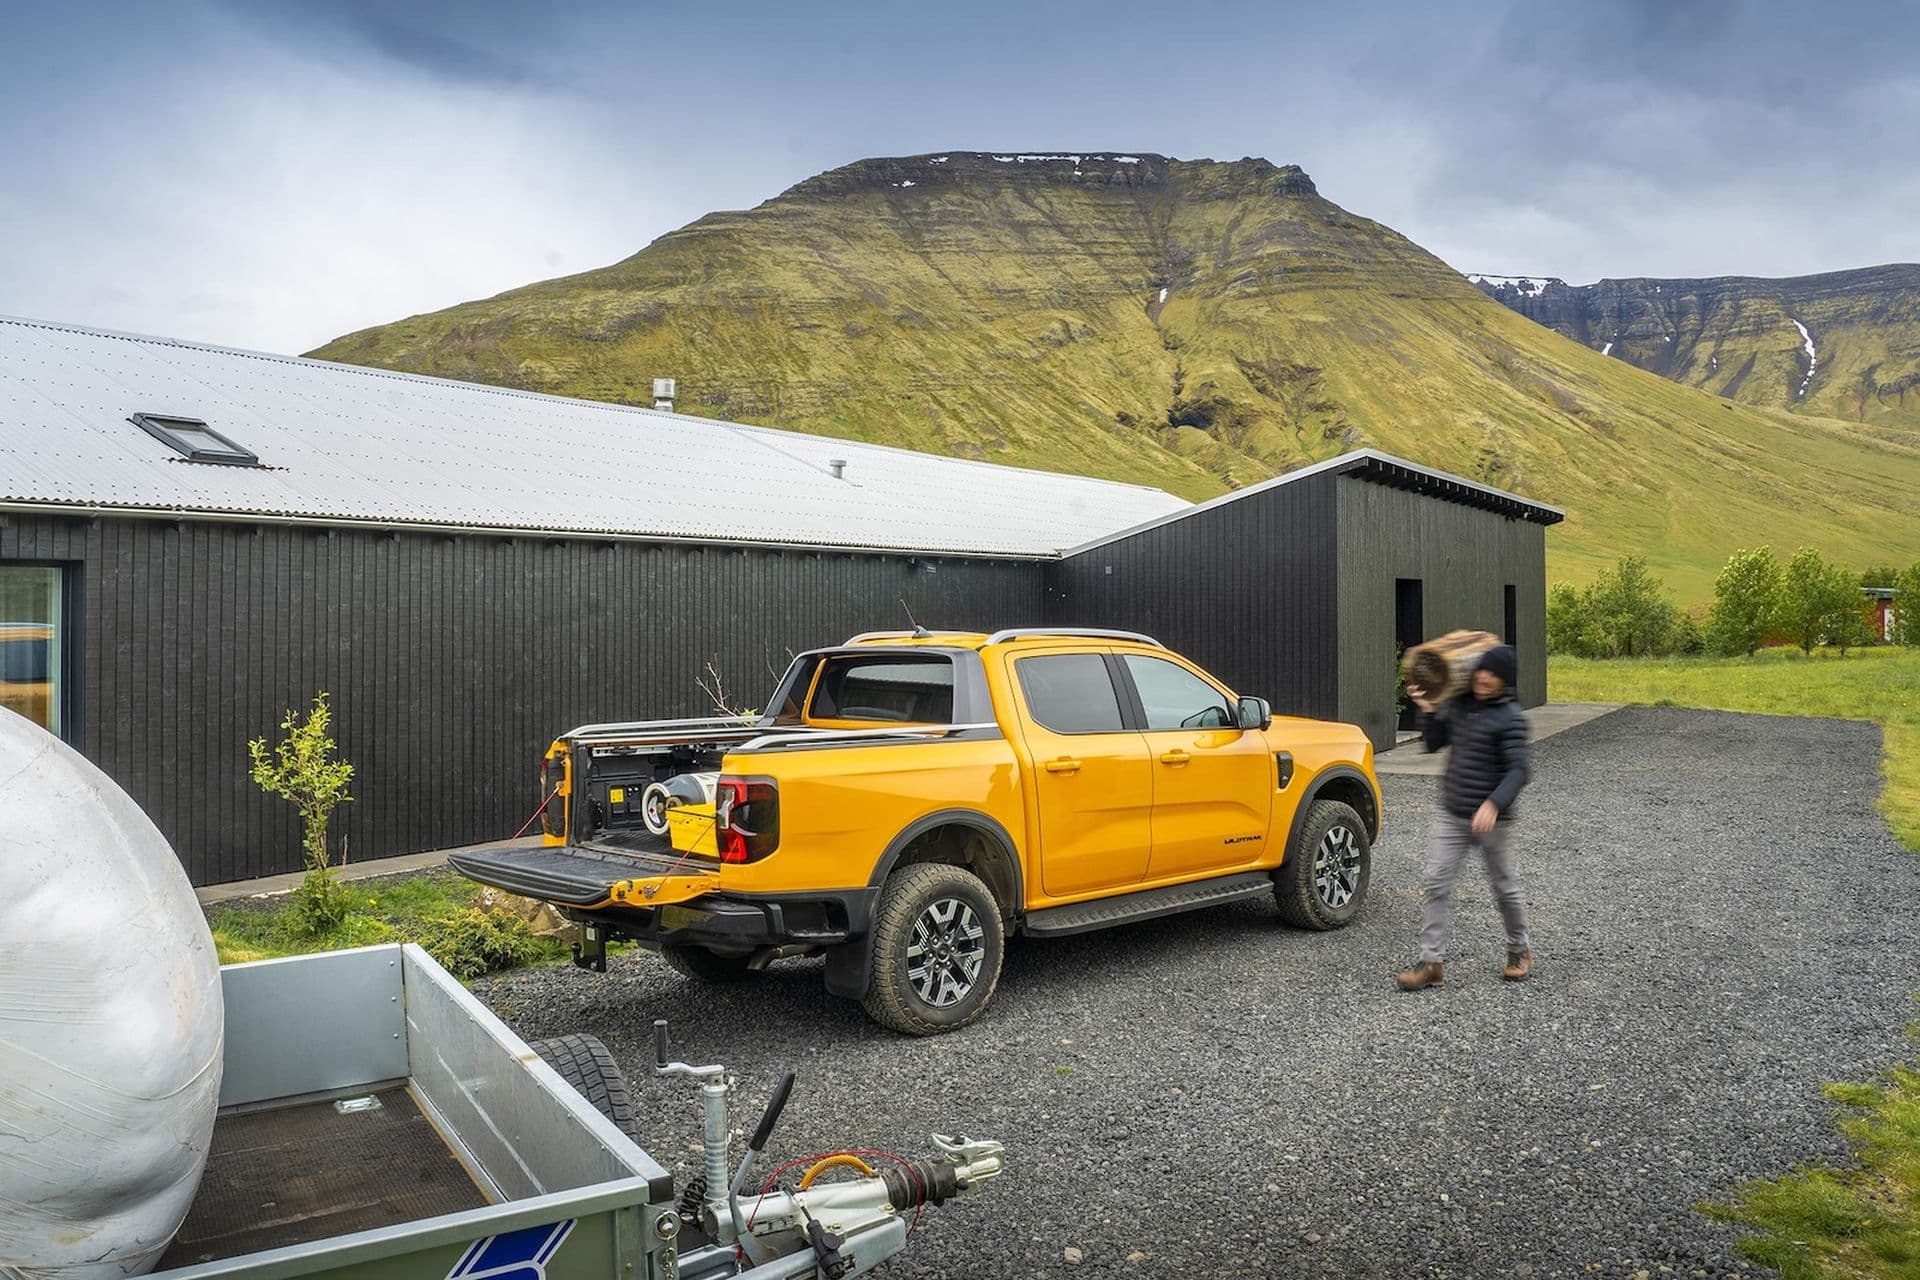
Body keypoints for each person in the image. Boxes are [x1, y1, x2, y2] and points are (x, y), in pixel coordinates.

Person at [1396, 643, 1532, 990]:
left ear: (1505, 680)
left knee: (1504, 889)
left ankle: (1519, 951)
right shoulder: (1459, 704)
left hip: (1493, 820)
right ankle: (1431, 964)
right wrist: (1428, 708)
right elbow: (1433, 744)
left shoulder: (1511, 717)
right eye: (1482, 671)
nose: (1484, 678)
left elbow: (1519, 770)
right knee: (1436, 885)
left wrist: (1493, 804)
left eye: (1493, 674)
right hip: (1453, 814)